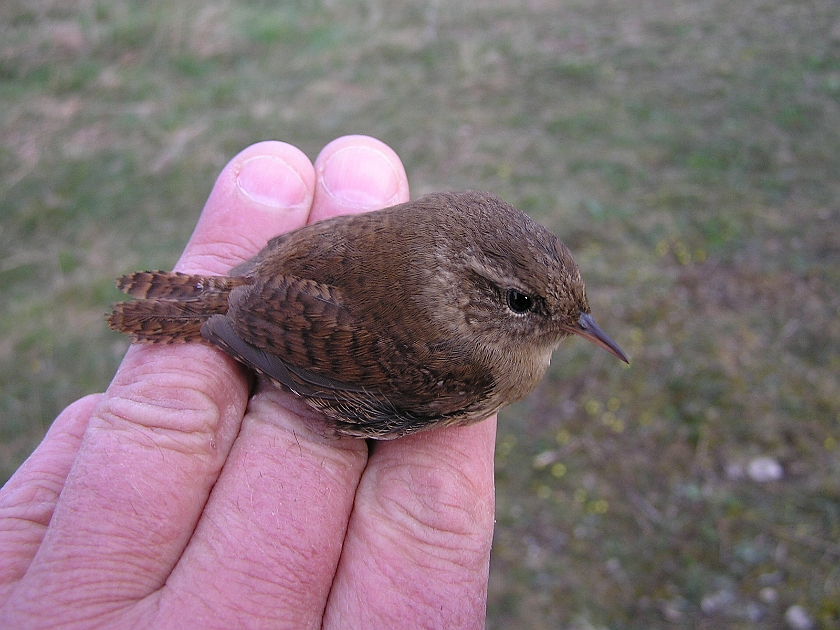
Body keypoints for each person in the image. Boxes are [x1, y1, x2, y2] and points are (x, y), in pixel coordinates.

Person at [0, 136, 495, 628]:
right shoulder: (468, 362)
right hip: (283, 314)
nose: (573, 327)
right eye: (520, 303)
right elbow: (335, 371)